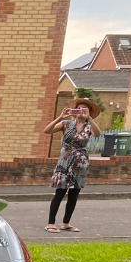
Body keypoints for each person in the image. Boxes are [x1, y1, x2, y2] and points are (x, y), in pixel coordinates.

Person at [43, 97, 101, 232]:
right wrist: (60, 117)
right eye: (79, 107)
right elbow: (47, 130)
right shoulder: (66, 124)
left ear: (89, 112)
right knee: (60, 193)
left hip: (80, 164)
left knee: (74, 194)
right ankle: (51, 223)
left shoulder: (89, 126)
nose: (81, 110)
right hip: (64, 162)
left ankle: (66, 223)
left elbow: (97, 134)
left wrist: (90, 119)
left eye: (84, 109)